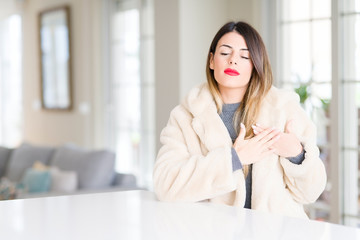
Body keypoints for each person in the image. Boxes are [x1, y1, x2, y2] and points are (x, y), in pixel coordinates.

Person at [153, 21, 327, 219]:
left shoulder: (284, 109)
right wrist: (234, 159)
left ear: (255, 65)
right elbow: (165, 184)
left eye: (245, 56)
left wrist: (296, 154)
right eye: (225, 53)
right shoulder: (185, 117)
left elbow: (312, 192)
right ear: (211, 61)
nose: (233, 60)